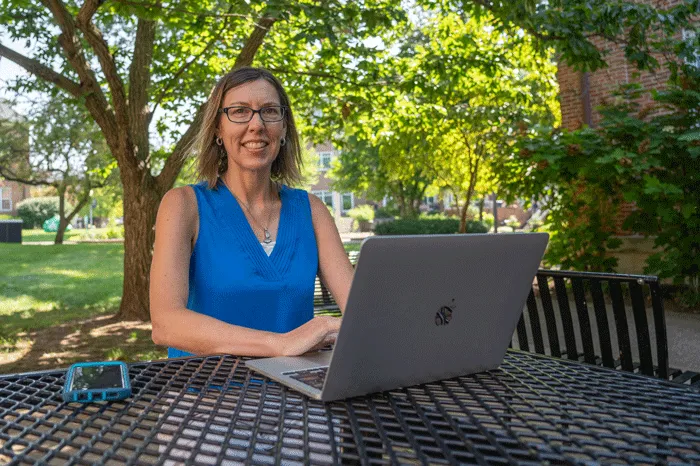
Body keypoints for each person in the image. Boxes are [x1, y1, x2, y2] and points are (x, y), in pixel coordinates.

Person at [149, 67, 354, 358]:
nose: (256, 124)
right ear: (218, 129)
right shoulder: (183, 205)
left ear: (283, 128)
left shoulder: (312, 210)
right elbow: (166, 324)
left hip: (294, 394)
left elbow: (361, 314)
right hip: (204, 395)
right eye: (240, 111)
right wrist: (280, 344)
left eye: (269, 111)